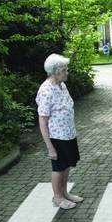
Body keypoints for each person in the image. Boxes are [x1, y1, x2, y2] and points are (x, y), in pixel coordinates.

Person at [36, 54, 84, 210]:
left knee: (67, 164)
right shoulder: (46, 90)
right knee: (58, 167)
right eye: (64, 70)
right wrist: (49, 147)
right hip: (56, 137)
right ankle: (57, 197)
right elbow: (42, 121)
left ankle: (64, 193)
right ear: (56, 71)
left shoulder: (61, 85)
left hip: (68, 134)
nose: (67, 72)